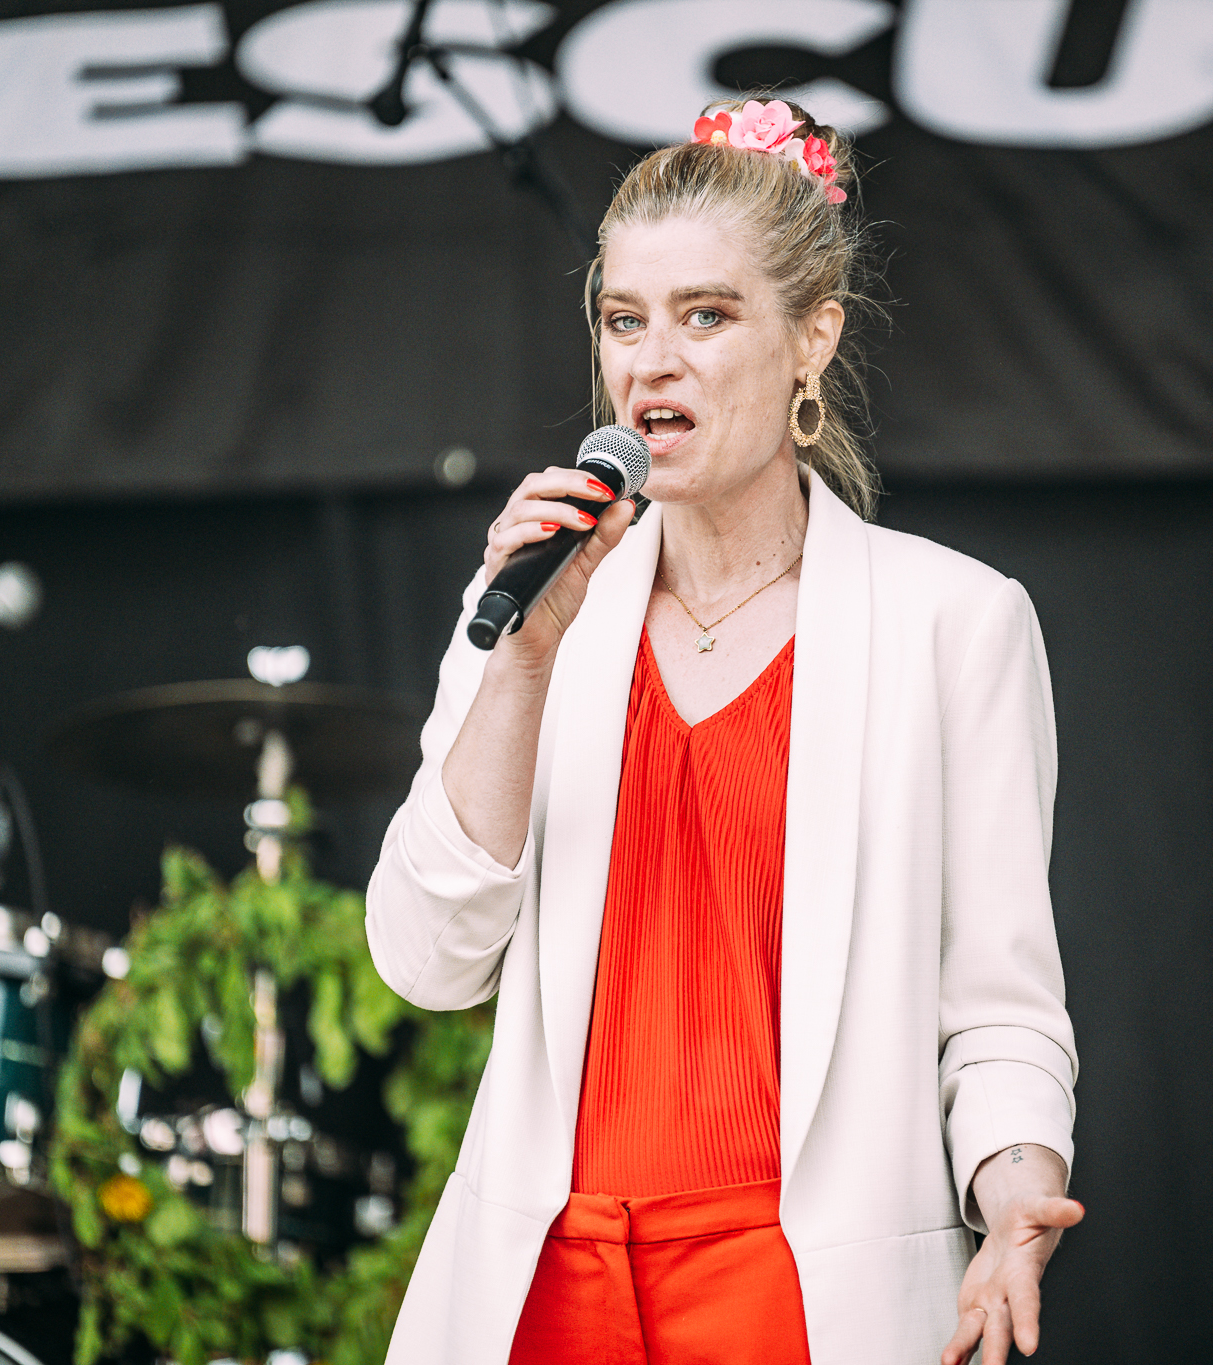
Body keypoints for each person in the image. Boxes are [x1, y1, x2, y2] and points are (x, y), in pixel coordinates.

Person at [367, 95, 1079, 1365]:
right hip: (552, 1286)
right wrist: (518, 663)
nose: (652, 362)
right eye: (622, 320)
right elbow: (427, 960)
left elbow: (998, 1003)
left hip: (798, 1295)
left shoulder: (954, 621)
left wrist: (1016, 1190)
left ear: (813, 338)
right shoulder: (537, 605)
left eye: (705, 316)